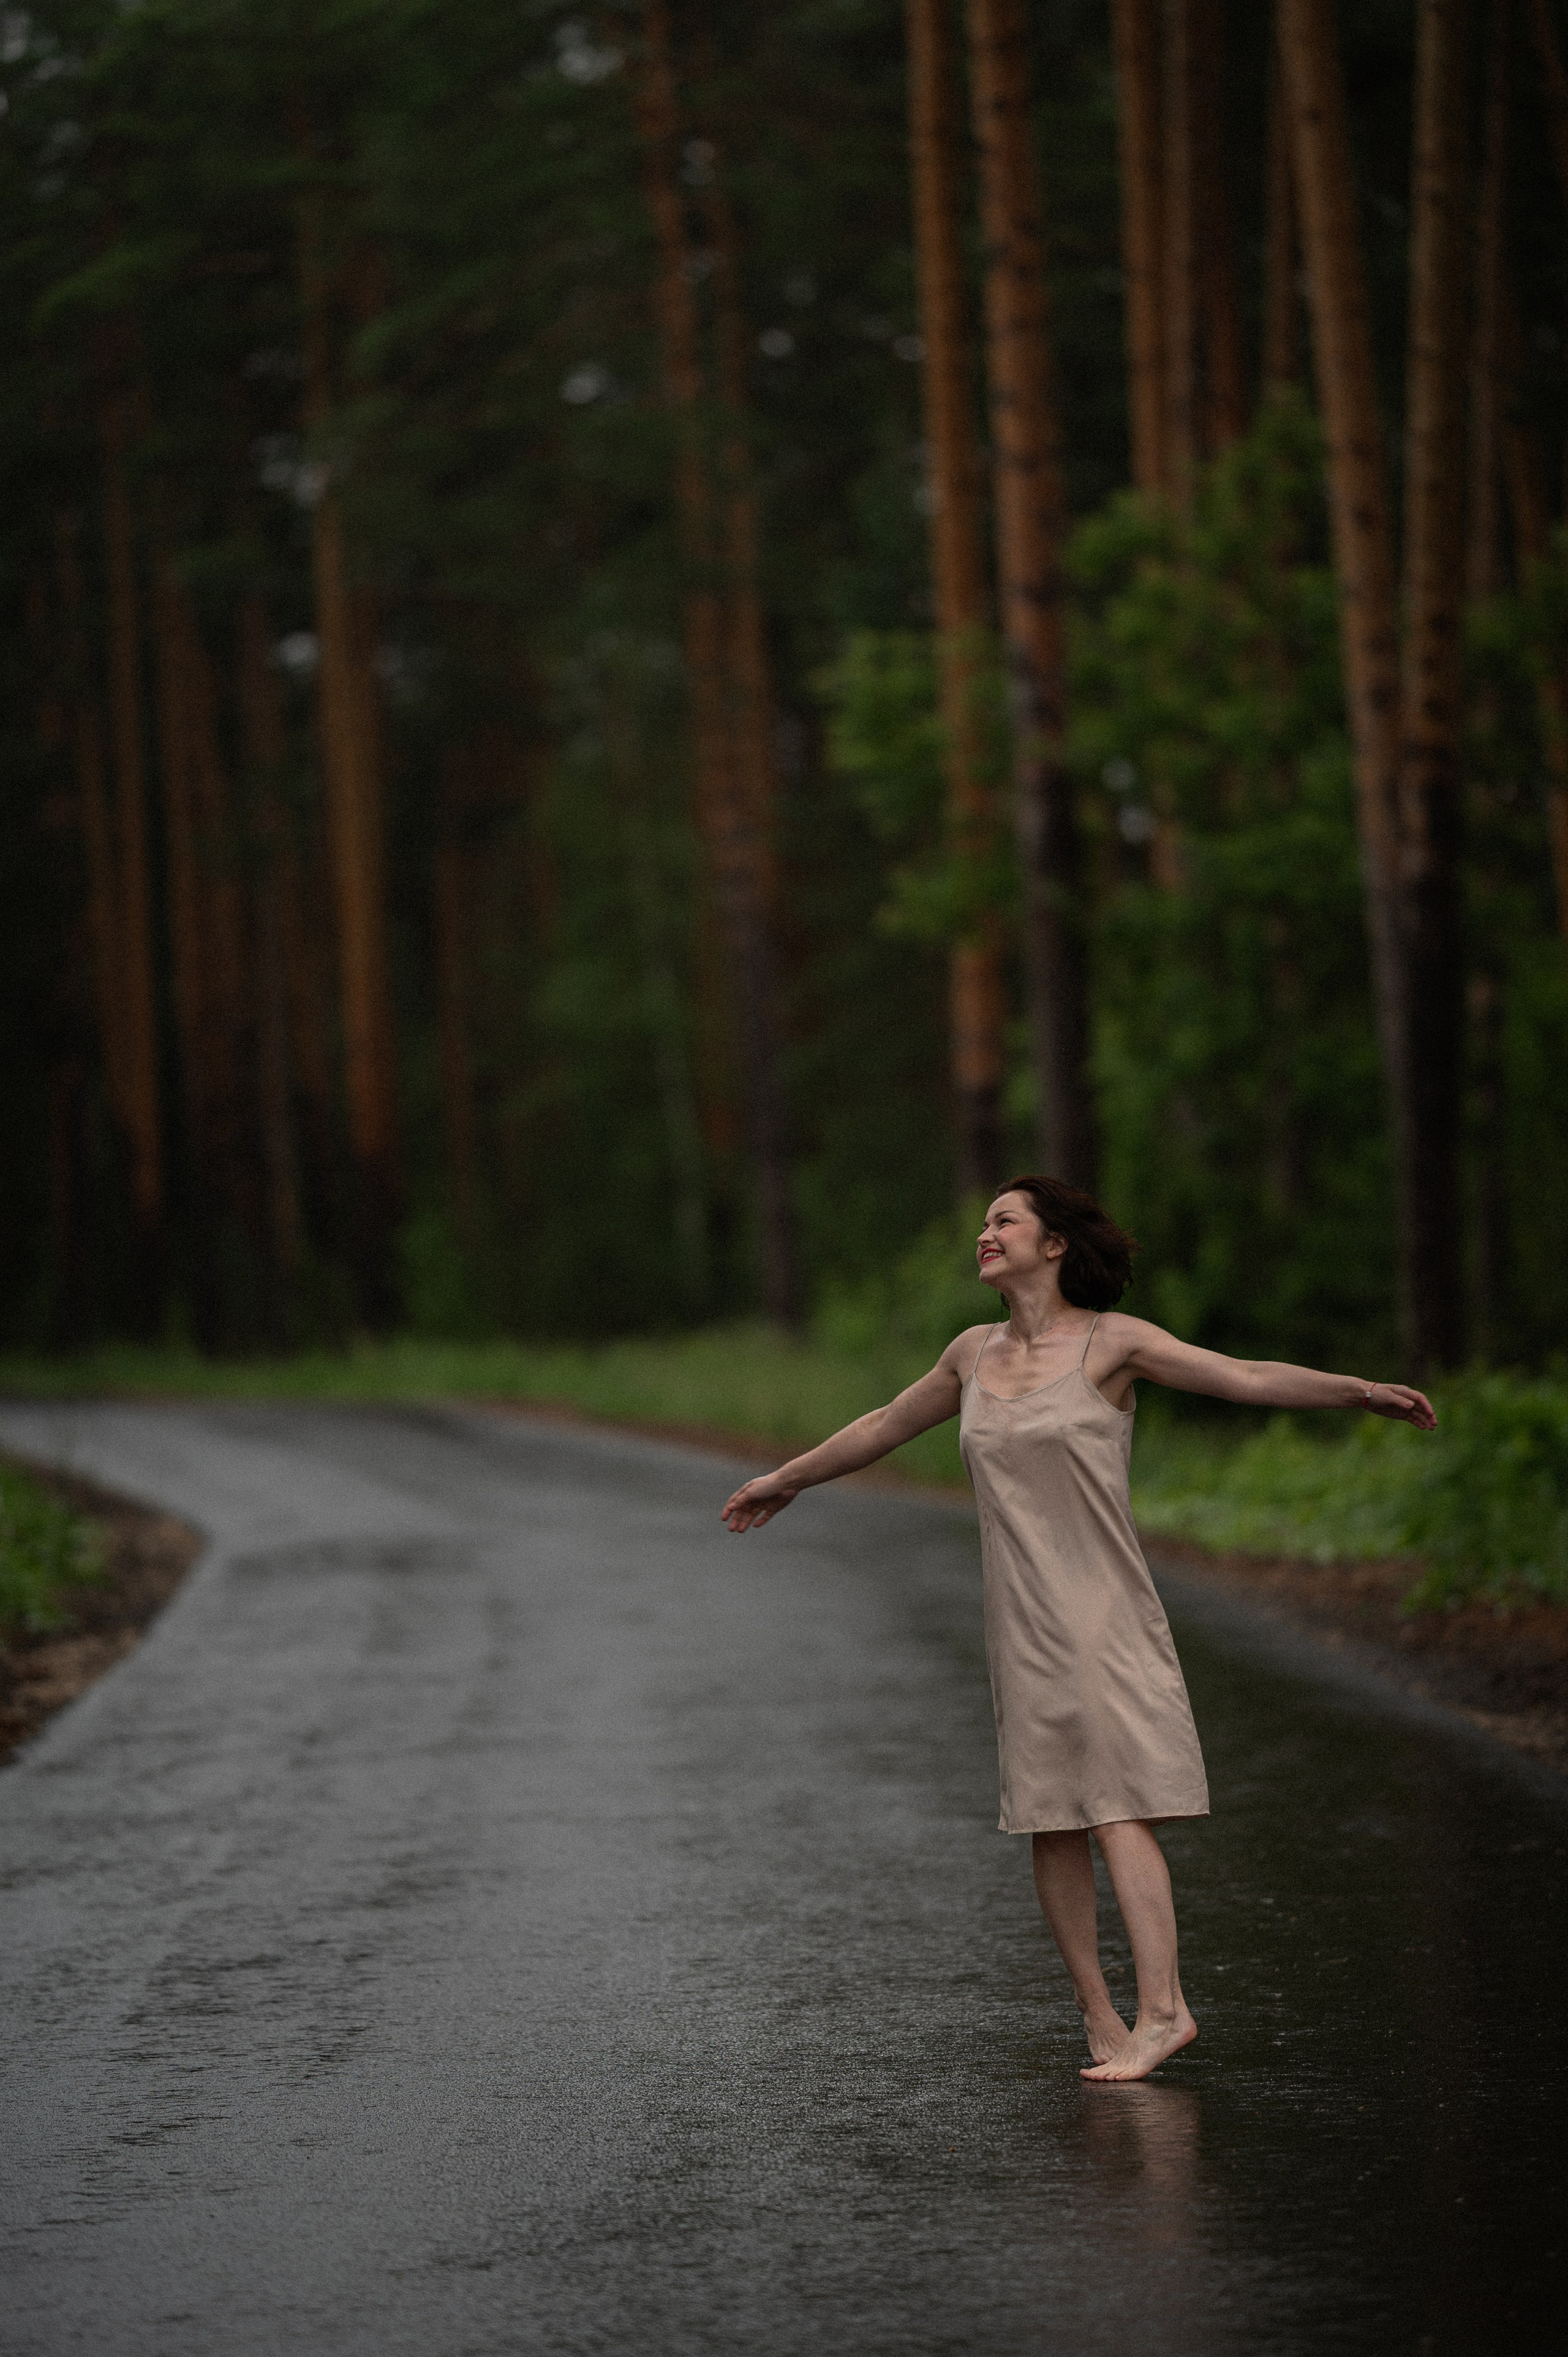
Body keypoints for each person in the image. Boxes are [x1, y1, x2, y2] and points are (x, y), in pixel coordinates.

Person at [722, 1175, 1436, 2083]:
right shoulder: (969, 1354)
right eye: (983, 1222)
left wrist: (1355, 1391)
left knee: (1114, 1800)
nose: (985, 1233)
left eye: (1004, 1221)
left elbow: (1242, 1374)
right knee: (1049, 1814)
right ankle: (1100, 2016)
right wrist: (788, 1477)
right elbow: (882, 1425)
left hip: (1101, 1610)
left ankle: (1166, 2009)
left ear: (1054, 1243)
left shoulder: (1113, 1344)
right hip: (1017, 1619)